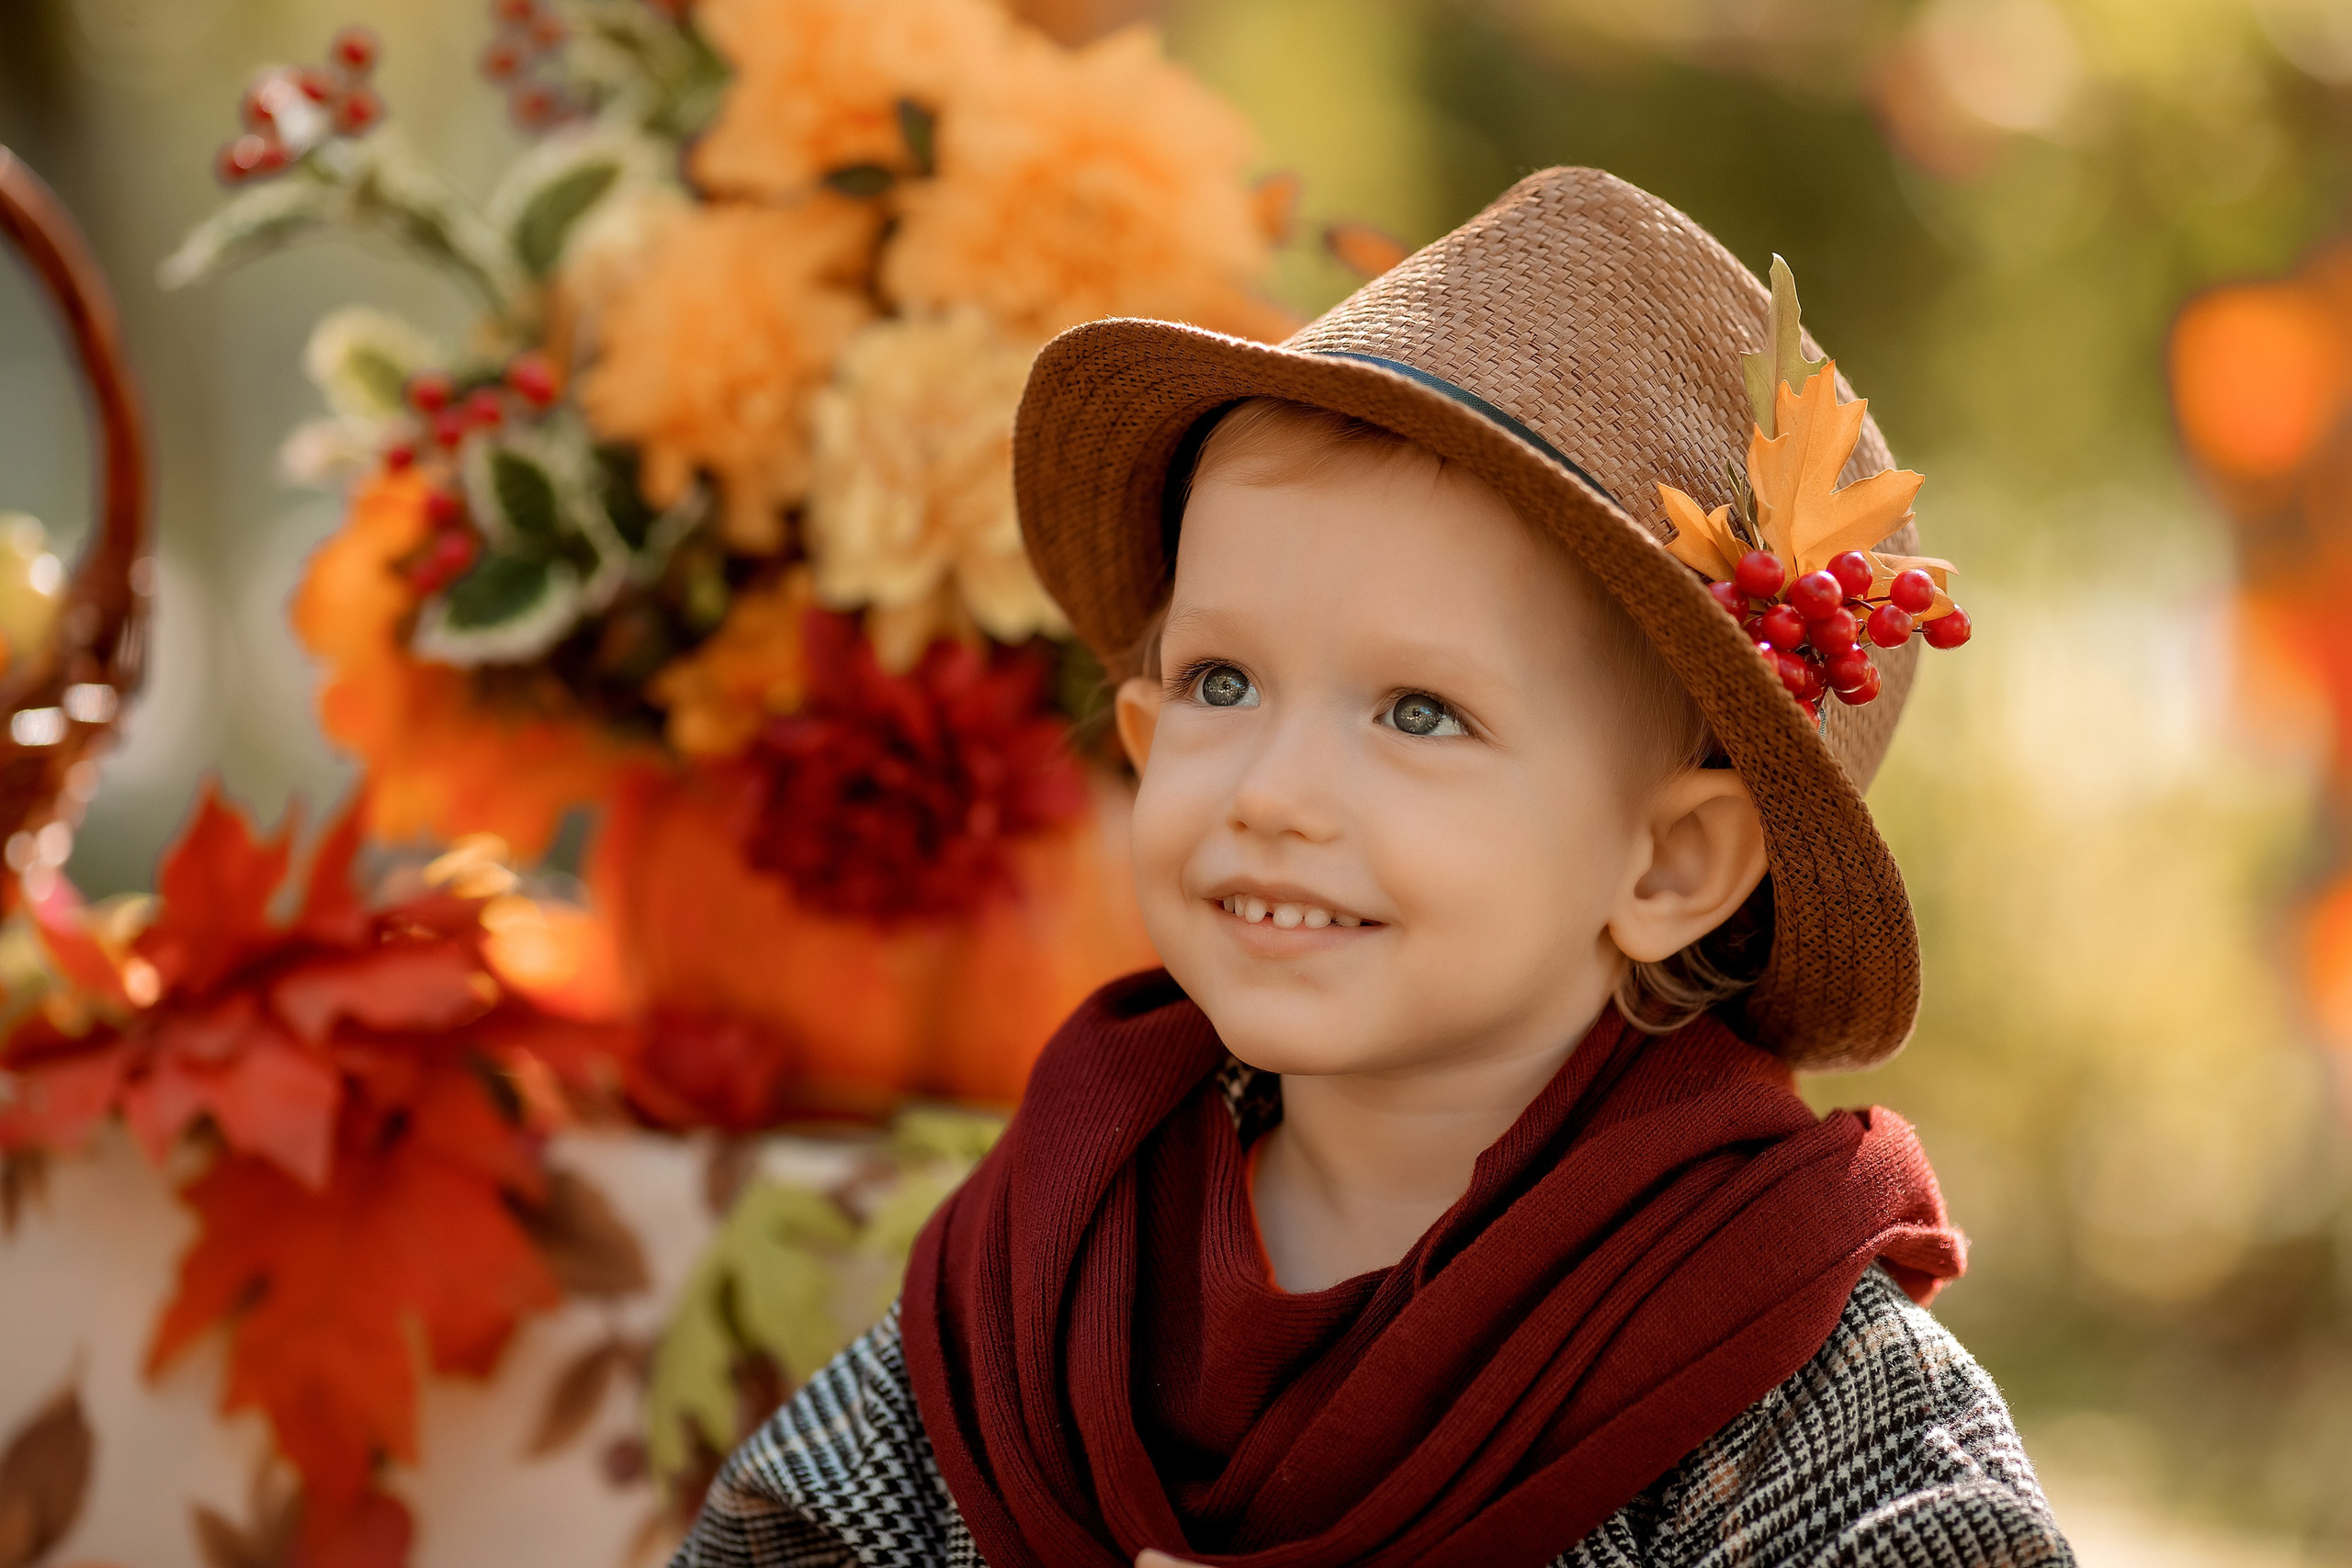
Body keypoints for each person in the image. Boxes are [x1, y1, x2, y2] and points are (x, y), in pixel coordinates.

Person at [671, 167, 2071, 1568]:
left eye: (1418, 713)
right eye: (1221, 684)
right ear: (1144, 743)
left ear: (1670, 864)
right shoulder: (1053, 1255)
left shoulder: (1778, 1363)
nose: (1272, 793)